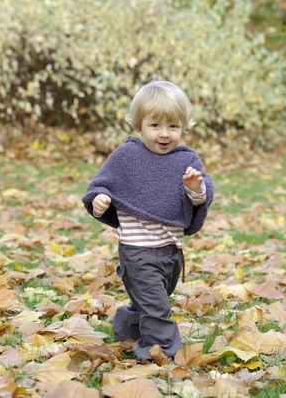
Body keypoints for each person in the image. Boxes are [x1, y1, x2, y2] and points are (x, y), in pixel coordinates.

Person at [82, 80, 214, 361]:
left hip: (171, 253)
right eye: (155, 126)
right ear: (139, 125)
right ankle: (160, 353)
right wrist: (100, 200)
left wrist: (194, 189)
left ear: (184, 126)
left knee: (152, 302)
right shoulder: (127, 157)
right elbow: (100, 186)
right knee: (156, 308)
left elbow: (202, 195)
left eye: (173, 126)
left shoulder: (186, 160)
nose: (164, 134)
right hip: (138, 254)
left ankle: (128, 327)